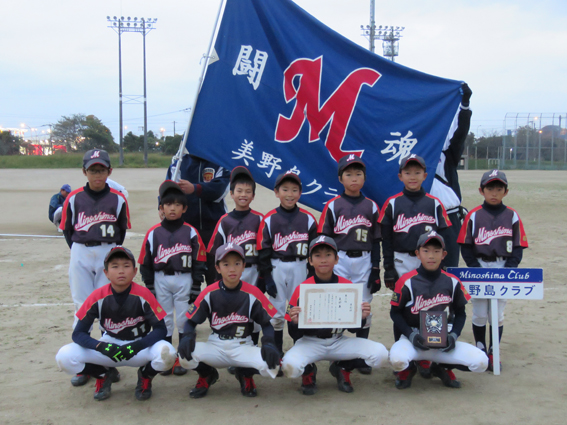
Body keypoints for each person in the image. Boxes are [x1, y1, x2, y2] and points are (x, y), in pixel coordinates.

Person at [55, 246, 177, 401]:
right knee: (64, 356)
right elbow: (78, 333)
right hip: (109, 346)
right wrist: (101, 346)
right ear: (105, 273)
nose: (121, 271)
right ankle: (103, 375)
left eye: (126, 266)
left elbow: (160, 329)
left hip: (139, 348)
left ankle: (145, 375)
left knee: (168, 353)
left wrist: (137, 346)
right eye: (115, 266)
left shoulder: (144, 294)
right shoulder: (97, 296)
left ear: (135, 271)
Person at [282, 236, 389, 395]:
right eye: (317, 255)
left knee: (381, 355)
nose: (323, 260)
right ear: (310, 261)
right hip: (310, 342)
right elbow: (294, 334)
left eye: (328, 255)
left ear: (337, 259)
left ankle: (342, 367)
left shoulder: (347, 286)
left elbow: (353, 330)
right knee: (289, 367)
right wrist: (295, 322)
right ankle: (309, 370)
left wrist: (362, 318)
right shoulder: (302, 289)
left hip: (338, 340)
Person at [59, 149, 131, 387]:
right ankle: (84, 364)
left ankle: (108, 363)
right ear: (84, 172)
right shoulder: (74, 198)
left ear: (109, 171)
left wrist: (109, 255)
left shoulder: (118, 199)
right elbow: (68, 230)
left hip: (107, 252)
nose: (97, 174)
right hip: (80, 250)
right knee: (82, 306)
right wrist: (79, 249)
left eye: (101, 170)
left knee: (107, 307)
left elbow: (121, 231)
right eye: (92, 170)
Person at [177, 243, 280, 398]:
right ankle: (207, 374)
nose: (232, 269)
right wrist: (187, 336)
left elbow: (266, 324)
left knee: (273, 366)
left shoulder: (253, 292)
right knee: (183, 356)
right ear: (218, 268)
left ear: (243, 266)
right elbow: (191, 322)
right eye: (226, 264)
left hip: (243, 345)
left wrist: (269, 343)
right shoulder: (209, 292)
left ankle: (245, 373)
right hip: (216, 345)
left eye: (237, 264)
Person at [389, 231, 488, 389]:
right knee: (397, 359)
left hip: (443, 339)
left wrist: (454, 335)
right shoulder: (406, 281)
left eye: (436, 251)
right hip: (413, 339)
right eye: (426, 251)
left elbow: (461, 313)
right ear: (418, 254)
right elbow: (395, 313)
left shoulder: (452, 281)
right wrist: (410, 334)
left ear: (444, 255)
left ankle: (441, 367)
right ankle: (409, 368)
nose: (431, 256)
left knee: (481, 362)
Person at [457, 170, 528, 370]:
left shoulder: (512, 215)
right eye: (490, 189)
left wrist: (510, 268)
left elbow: (518, 245)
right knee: (479, 312)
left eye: (499, 189)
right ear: (482, 191)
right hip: (479, 265)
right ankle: (480, 348)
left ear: (506, 191)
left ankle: (493, 350)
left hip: (502, 265)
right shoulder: (474, 215)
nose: (494, 193)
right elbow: (465, 245)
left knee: (497, 314)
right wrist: (475, 268)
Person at [317, 154, 381, 374]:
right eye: (349, 174)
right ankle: (338, 353)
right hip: (340, 259)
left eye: (358, 174)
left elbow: (376, 240)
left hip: (364, 259)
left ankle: (361, 355)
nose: (354, 178)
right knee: (338, 304)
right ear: (340, 178)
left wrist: (376, 268)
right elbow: (324, 240)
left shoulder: (371, 206)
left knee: (364, 305)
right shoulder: (333, 205)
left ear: (364, 178)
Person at [138, 180, 207, 376]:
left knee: (184, 319)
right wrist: (150, 286)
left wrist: (196, 285)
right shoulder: (153, 232)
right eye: (168, 204)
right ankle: (167, 357)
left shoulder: (191, 231)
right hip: (160, 279)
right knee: (165, 319)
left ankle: (182, 357)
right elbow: (145, 262)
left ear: (184, 208)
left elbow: (199, 259)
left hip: (184, 278)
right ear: (161, 208)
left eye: (177, 204)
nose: (173, 208)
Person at [257, 171, 318, 358]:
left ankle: (301, 351)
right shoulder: (269, 219)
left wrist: (311, 274)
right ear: (276, 192)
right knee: (276, 311)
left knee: (299, 310)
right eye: (285, 189)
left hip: (300, 266)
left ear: (300, 193)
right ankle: (277, 350)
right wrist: (267, 277)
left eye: (294, 190)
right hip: (277, 266)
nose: (289, 194)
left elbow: (314, 249)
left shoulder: (308, 218)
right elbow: (263, 251)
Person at [208, 166, 264, 345]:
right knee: (233, 310)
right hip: (231, 273)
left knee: (253, 310)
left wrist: (264, 276)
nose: (243, 195)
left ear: (253, 195)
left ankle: (253, 346)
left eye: (248, 191)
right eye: (239, 190)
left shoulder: (259, 219)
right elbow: (215, 251)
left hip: (253, 271)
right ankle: (233, 346)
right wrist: (217, 278)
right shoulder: (225, 221)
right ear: (231, 194)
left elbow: (265, 250)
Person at [379, 154, 452, 289]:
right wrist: (388, 267)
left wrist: (442, 263)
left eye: (417, 173)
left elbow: (445, 237)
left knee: (427, 296)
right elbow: (387, 239)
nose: (412, 177)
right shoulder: (392, 203)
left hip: (428, 258)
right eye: (407, 173)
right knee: (403, 297)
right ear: (400, 176)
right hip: (401, 260)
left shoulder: (434, 203)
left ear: (425, 176)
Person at [166, 153, 230, 286]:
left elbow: (219, 191)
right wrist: (161, 206)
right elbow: (169, 192)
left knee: (215, 278)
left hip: (214, 231)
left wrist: (195, 188)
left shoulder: (219, 162)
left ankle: (214, 299)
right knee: (188, 279)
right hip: (186, 231)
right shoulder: (179, 163)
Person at [430, 83, 473, 267]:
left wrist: (465, 105)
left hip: (449, 217)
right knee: (422, 273)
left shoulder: (447, 153)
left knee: (449, 271)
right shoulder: (408, 154)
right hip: (420, 218)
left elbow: (460, 133)